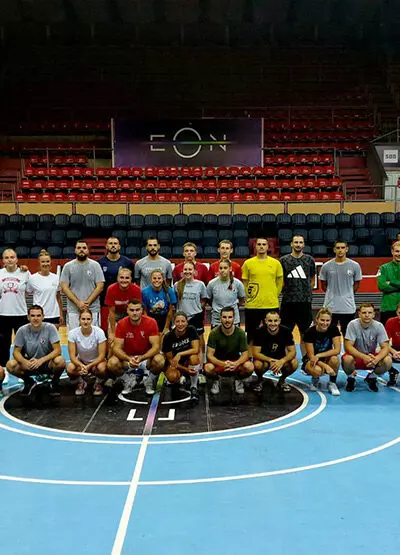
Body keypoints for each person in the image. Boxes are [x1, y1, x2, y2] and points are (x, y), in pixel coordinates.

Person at [107, 298, 165, 395]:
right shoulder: (121, 324)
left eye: (137, 310)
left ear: (142, 310)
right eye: (132, 310)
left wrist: (142, 357)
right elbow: (116, 348)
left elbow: (156, 347)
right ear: (127, 311)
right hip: (128, 358)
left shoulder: (151, 322)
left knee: (160, 361)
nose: (134, 313)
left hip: (146, 358)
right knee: (111, 363)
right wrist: (128, 359)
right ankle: (128, 380)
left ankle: (149, 380)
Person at [6, 305, 66, 397]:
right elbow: (16, 352)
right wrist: (25, 362)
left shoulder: (50, 328)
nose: (35, 318)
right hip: (30, 363)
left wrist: (41, 360)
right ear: (28, 317)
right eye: (33, 316)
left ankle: (55, 382)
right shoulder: (22, 330)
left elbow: (58, 350)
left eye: (38, 315)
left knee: (60, 361)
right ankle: (29, 382)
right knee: (10, 365)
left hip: (47, 363)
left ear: (43, 316)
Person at [241, 236, 283, 344]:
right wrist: (251, 296)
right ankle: (250, 355)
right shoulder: (248, 263)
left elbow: (279, 282)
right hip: (252, 305)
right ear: (255, 246)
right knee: (251, 335)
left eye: (264, 244)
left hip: (271, 304)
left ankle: (269, 353)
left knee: (272, 334)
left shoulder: (276, 263)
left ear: (268, 247)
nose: (261, 246)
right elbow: (245, 282)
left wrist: (274, 294)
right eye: (259, 244)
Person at [342, 303, 391, 392]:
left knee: (388, 360)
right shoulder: (352, 325)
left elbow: (385, 347)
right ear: (359, 314)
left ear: (373, 314)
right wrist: (364, 357)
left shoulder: (379, 326)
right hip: (357, 357)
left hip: (372, 358)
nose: (367, 315)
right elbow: (348, 346)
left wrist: (376, 359)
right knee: (347, 359)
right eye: (364, 312)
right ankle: (351, 378)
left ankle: (372, 378)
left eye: (369, 312)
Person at [205, 306, 254, 395]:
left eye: (230, 317)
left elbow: (245, 354)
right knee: (208, 368)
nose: (227, 320)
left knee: (250, 367)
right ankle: (216, 380)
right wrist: (222, 364)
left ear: (234, 318)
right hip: (219, 362)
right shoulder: (214, 333)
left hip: (235, 362)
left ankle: (238, 380)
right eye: (224, 317)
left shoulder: (240, 333)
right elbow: (209, 355)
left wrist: (236, 363)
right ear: (220, 318)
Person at [280, 235, 316, 355]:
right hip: (288, 302)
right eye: (296, 242)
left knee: (305, 333)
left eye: (300, 242)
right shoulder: (283, 260)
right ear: (291, 244)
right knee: (285, 333)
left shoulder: (309, 260)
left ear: (304, 244)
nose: (298, 245)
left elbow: (312, 279)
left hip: (304, 302)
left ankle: (305, 359)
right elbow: (280, 280)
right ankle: (285, 360)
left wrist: (305, 292)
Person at [319, 241, 362, 336]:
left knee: (348, 334)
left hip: (348, 308)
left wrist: (347, 294)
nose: (340, 250)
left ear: (347, 249)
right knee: (329, 334)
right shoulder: (326, 266)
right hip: (330, 307)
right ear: (334, 249)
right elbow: (323, 286)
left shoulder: (355, 265)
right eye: (338, 248)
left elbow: (356, 285)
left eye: (342, 247)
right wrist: (332, 294)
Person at [60, 240, 105, 329]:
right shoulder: (68, 266)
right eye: (79, 248)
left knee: (93, 335)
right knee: (73, 335)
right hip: (73, 309)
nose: (81, 250)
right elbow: (64, 287)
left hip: (92, 309)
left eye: (84, 248)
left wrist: (87, 303)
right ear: (75, 250)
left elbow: (100, 286)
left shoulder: (95, 265)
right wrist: (78, 303)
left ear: (88, 250)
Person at [0, 248, 31, 376]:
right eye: (7, 258)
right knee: (3, 345)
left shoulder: (25, 273)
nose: (10, 260)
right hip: (3, 314)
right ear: (3, 261)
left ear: (17, 259)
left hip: (21, 314)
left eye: (12, 257)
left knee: (22, 345)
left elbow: (30, 290)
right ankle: (4, 372)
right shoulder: (0, 274)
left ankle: (21, 370)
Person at [252, 310, 298, 393]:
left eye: (275, 321)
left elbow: (293, 352)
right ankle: (260, 380)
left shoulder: (286, 331)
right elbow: (255, 353)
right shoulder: (259, 331)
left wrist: (281, 361)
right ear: (265, 321)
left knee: (294, 363)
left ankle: (282, 381)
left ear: (279, 321)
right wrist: (270, 360)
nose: (273, 323)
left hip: (281, 360)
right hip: (265, 360)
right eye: (270, 321)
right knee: (257, 364)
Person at [98, 237, 135, 333]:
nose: (113, 245)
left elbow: (132, 282)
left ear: (119, 246)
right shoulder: (100, 263)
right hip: (105, 303)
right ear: (106, 246)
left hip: (125, 303)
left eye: (115, 243)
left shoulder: (128, 262)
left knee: (127, 330)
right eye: (110, 243)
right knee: (107, 330)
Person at [67, 309, 108, 396]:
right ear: (79, 319)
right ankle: (81, 382)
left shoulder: (99, 332)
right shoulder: (72, 333)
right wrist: (82, 366)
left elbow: (102, 355)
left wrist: (89, 366)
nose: (86, 322)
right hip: (81, 361)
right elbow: (72, 357)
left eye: (88, 319)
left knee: (102, 368)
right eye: (83, 319)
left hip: (97, 362)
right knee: (70, 368)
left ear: (92, 320)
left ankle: (98, 383)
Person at [162, 312, 201, 402]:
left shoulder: (191, 330)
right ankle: (180, 378)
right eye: (177, 321)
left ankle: (194, 386)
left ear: (187, 322)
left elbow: (196, 349)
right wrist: (186, 370)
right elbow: (171, 360)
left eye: (183, 321)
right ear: (174, 323)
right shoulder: (168, 337)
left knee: (194, 358)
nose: (180, 324)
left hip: (187, 361)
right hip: (176, 365)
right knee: (172, 377)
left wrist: (180, 354)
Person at [303, 307, 341, 395]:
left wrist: (319, 355)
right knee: (317, 370)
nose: (325, 323)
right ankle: (315, 379)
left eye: (327, 320)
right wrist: (326, 366)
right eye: (322, 320)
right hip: (311, 360)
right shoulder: (309, 332)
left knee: (335, 359)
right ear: (317, 319)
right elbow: (311, 356)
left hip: (325, 357)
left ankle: (332, 383)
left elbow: (337, 350)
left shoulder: (334, 329)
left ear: (331, 321)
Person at [175, 261, 208, 353]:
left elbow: (204, 299)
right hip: (182, 318)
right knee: (183, 340)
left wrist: (199, 310)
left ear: (194, 271)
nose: (187, 271)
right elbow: (175, 301)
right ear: (182, 271)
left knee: (200, 339)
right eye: (185, 269)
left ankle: (202, 359)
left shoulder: (200, 284)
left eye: (190, 269)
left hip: (196, 317)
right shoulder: (177, 285)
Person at [27, 250, 64, 326]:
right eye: (43, 262)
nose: (45, 264)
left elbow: (58, 297)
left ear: (50, 262)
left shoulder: (56, 278)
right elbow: (26, 292)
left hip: (54, 315)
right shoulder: (32, 278)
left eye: (47, 261)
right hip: (38, 315)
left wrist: (61, 314)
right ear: (39, 263)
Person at [105, 268, 142, 342]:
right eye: (122, 277)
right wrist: (113, 332)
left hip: (131, 313)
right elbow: (111, 312)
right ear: (117, 278)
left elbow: (138, 310)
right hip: (116, 314)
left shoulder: (136, 289)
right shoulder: (111, 289)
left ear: (131, 279)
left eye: (127, 278)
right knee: (112, 339)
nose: (124, 280)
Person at [206, 259, 245, 328]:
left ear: (230, 269)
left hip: (234, 321)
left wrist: (233, 307)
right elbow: (208, 299)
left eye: (225, 268)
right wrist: (216, 307)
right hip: (217, 320)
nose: (222, 270)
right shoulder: (211, 284)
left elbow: (242, 299)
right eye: (220, 268)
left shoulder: (238, 283)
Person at [142, 270, 177, 335]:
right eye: (154, 278)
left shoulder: (169, 291)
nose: (157, 280)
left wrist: (166, 327)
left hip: (165, 319)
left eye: (159, 278)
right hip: (150, 318)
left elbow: (171, 310)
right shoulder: (144, 292)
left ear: (163, 279)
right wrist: (147, 324)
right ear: (151, 279)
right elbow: (144, 311)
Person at [377, 240, 400, 326]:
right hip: (388, 307)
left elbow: (386, 285)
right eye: (397, 251)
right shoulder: (383, 268)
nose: (399, 254)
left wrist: (391, 282)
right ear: (392, 251)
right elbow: (382, 286)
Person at [383, 302, 400, 386]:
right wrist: (393, 352)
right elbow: (384, 342)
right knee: (380, 351)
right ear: (397, 312)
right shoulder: (391, 322)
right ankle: (392, 372)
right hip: (395, 349)